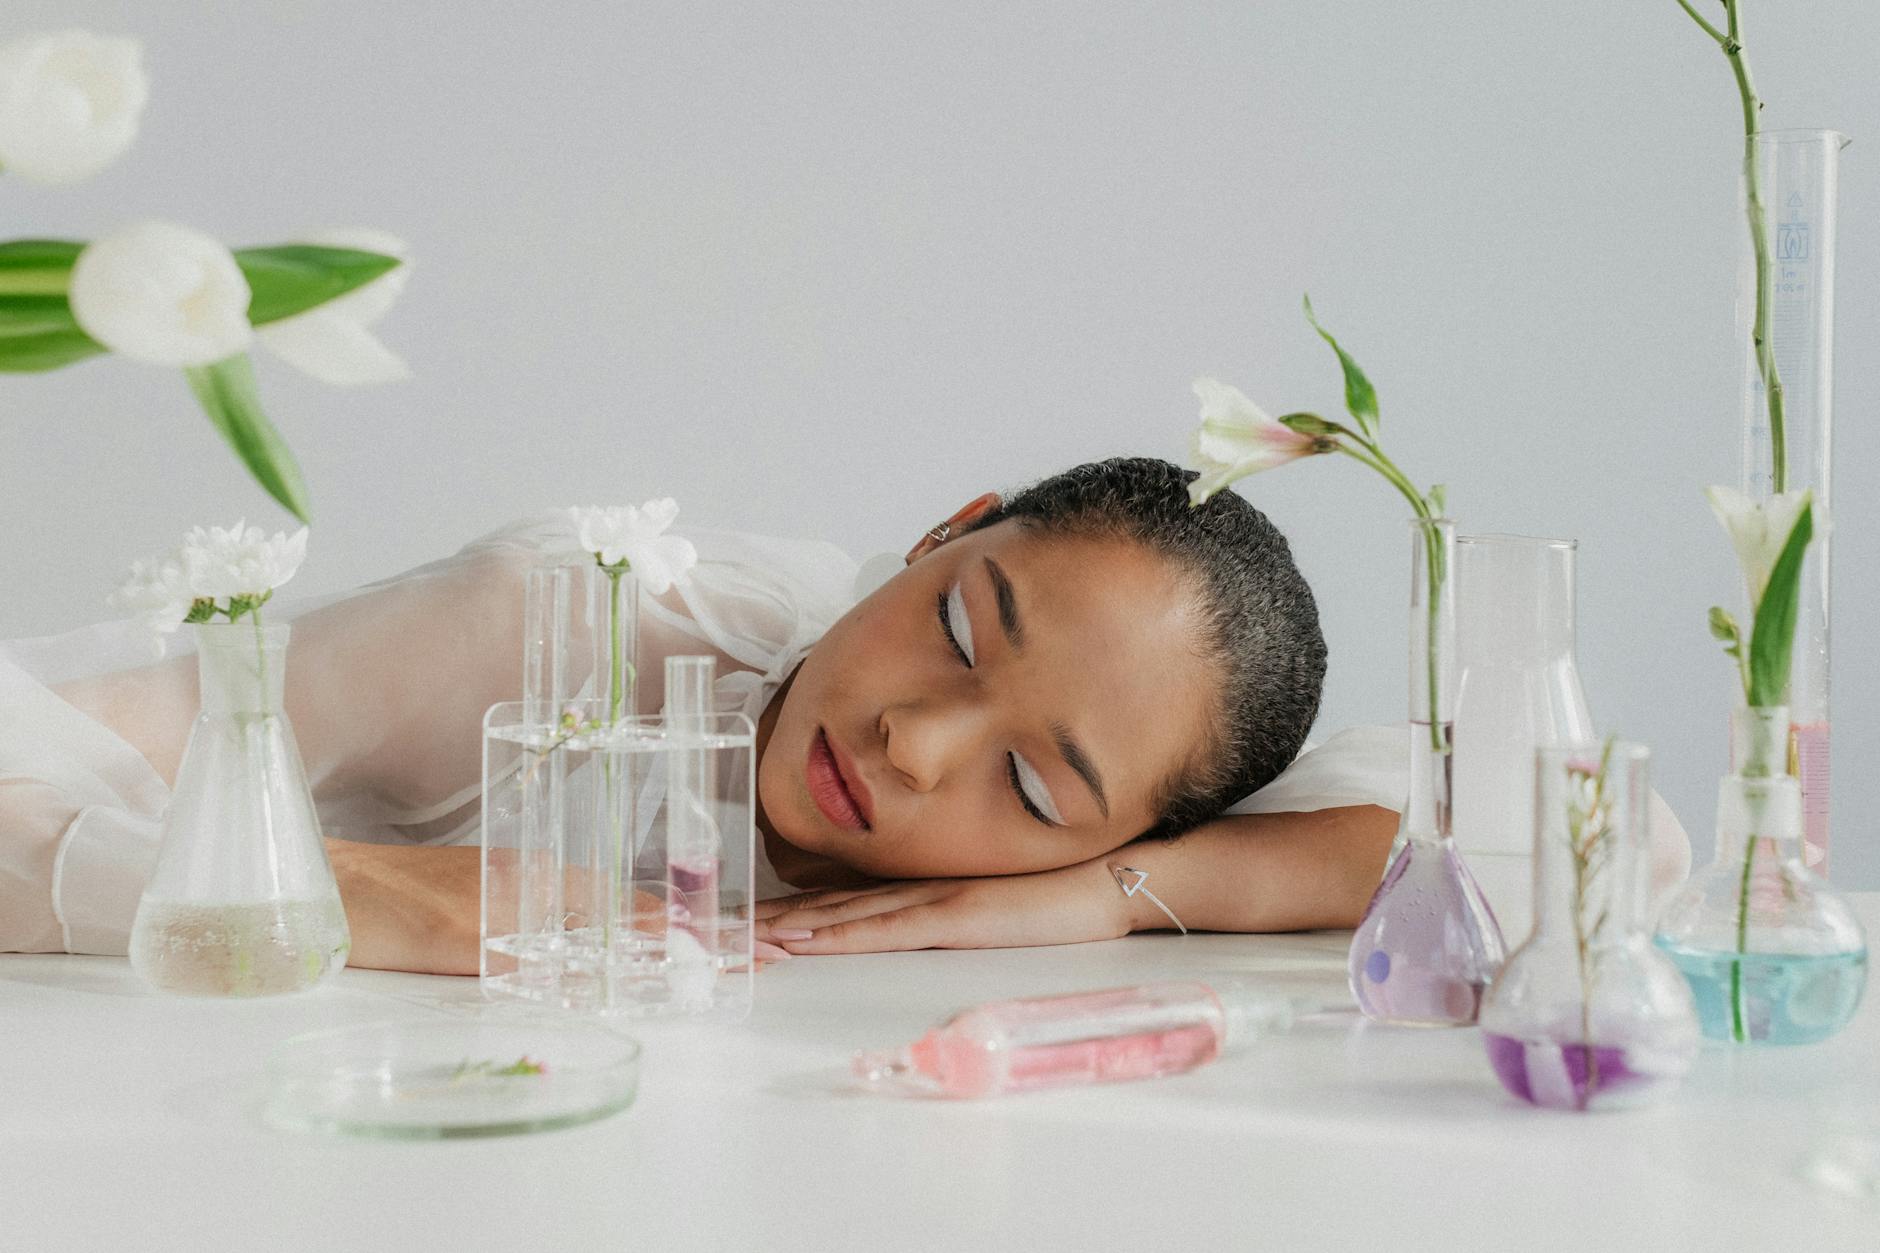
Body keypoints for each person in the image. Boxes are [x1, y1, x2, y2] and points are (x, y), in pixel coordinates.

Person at [0, 457, 1683, 973]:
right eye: (961, 622)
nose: (916, 742)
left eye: (1036, 784)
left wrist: (1091, 899)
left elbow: (1607, 825)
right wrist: (385, 897)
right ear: (951, 523)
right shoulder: (574, 618)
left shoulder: (1132, 836)